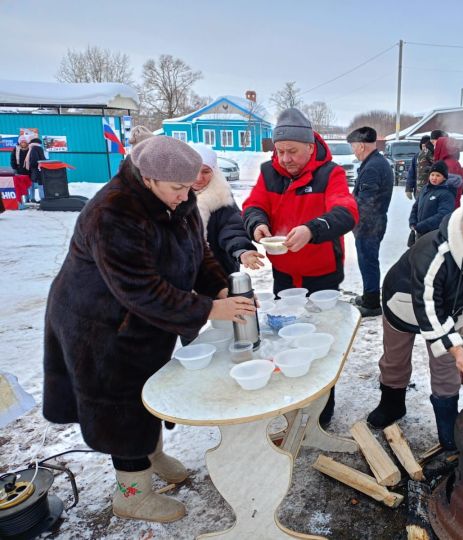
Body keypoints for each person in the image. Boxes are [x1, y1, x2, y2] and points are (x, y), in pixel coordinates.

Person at [43, 136, 256, 523]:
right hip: (99, 326)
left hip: (144, 323)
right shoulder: (112, 213)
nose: (184, 196)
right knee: (120, 405)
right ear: (147, 178)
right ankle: (132, 494)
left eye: (188, 188)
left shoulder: (177, 197)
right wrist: (211, 308)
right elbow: (140, 290)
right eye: (176, 189)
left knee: (147, 391)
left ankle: (152, 455)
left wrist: (219, 285)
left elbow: (199, 251)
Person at [366, 191, 463, 451]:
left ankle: (448, 424)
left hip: (449, 313)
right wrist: (456, 346)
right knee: (395, 358)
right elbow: (428, 307)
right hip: (405, 304)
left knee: (446, 367)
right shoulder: (434, 253)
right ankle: (391, 405)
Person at [242, 107, 359, 426]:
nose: (285, 158)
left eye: (292, 151)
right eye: (280, 151)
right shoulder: (269, 173)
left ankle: (323, 407)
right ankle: (294, 399)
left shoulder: (329, 173)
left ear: (310, 147)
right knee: (287, 337)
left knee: (322, 341)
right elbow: (253, 205)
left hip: (322, 274)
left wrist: (312, 229)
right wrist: (257, 225)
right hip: (284, 275)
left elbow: (347, 212)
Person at [189, 143, 263, 275]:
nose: (199, 178)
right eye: (194, 170)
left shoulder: (221, 196)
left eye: (206, 171)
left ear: (214, 171)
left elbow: (233, 229)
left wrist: (241, 251)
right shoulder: (173, 197)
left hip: (218, 271)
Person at [347, 126, 394, 317]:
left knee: (368, 262)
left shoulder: (373, 167)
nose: (353, 150)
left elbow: (365, 202)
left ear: (360, 146)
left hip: (369, 225)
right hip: (373, 222)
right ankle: (369, 295)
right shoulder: (375, 162)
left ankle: (372, 303)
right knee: (367, 261)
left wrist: (352, 217)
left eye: (353, 146)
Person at [408, 161, 455, 247]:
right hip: (420, 233)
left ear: (444, 178)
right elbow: (415, 207)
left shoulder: (446, 194)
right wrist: (412, 221)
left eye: (438, 175)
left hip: (434, 235)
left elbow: (443, 215)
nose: (434, 178)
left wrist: (422, 225)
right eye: (432, 175)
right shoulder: (425, 189)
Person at [433, 136, 463, 208]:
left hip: (445, 210)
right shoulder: (452, 162)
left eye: (437, 146)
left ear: (441, 148)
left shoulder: (447, 165)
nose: (435, 149)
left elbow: (443, 192)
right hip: (451, 207)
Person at [404, 135, 434, 200]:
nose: (424, 148)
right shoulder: (417, 156)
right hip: (418, 189)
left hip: (430, 189)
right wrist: (409, 188)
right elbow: (411, 173)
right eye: (423, 146)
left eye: (426, 146)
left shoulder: (433, 157)